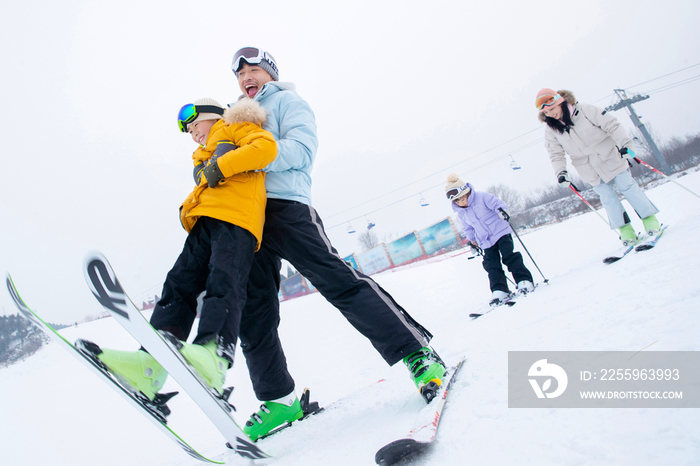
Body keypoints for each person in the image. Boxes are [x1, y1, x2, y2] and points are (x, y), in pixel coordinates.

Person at [229, 47, 446, 441]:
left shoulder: (287, 102)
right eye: (239, 72)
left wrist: (252, 156)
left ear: (270, 73)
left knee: (338, 282)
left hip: (287, 207)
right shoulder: (235, 117)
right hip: (247, 219)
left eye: (253, 68)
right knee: (253, 309)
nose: (246, 76)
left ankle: (417, 353)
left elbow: (301, 152)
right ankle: (279, 400)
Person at [79, 97, 277, 408]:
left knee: (224, 281)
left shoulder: (235, 126)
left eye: (194, 124)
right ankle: (150, 366)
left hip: (237, 219)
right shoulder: (203, 154)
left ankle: (213, 355)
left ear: (213, 116)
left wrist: (219, 166)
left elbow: (265, 149)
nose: (191, 132)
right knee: (178, 285)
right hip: (206, 223)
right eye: (187, 130)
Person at [536, 88, 661, 247]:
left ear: (560, 102)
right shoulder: (551, 129)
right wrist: (561, 173)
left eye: (552, 109)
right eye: (546, 112)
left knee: (627, 187)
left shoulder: (585, 110)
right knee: (608, 199)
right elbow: (555, 153)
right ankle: (626, 231)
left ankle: (650, 220)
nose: (550, 114)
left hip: (611, 157)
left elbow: (612, 125)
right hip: (588, 169)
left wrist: (626, 145)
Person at [445, 173, 534, 306]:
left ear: (467, 193)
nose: (461, 202)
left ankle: (524, 281)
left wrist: (502, 211)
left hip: (500, 232)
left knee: (509, 257)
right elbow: (467, 228)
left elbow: (498, 204)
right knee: (491, 265)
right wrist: (473, 241)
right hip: (485, 240)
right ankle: (500, 290)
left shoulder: (482, 197)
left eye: (462, 198)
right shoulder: (461, 212)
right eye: (457, 201)